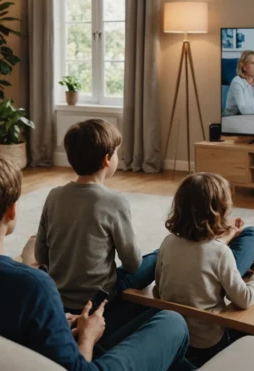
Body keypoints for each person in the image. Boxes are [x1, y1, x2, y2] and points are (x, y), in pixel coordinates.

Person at [0, 148, 191, 371]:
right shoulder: (33, 285)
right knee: (171, 321)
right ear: (11, 211)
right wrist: (88, 335)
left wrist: (57, 319)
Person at [30, 119, 161, 350]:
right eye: (117, 152)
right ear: (107, 159)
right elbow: (132, 263)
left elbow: (41, 254)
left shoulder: (54, 196)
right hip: (99, 300)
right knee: (156, 257)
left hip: (60, 299)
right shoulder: (114, 202)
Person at [156, 172, 254, 368]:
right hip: (207, 343)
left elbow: (159, 286)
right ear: (220, 210)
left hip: (173, 335)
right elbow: (244, 299)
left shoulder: (168, 242)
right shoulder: (220, 253)